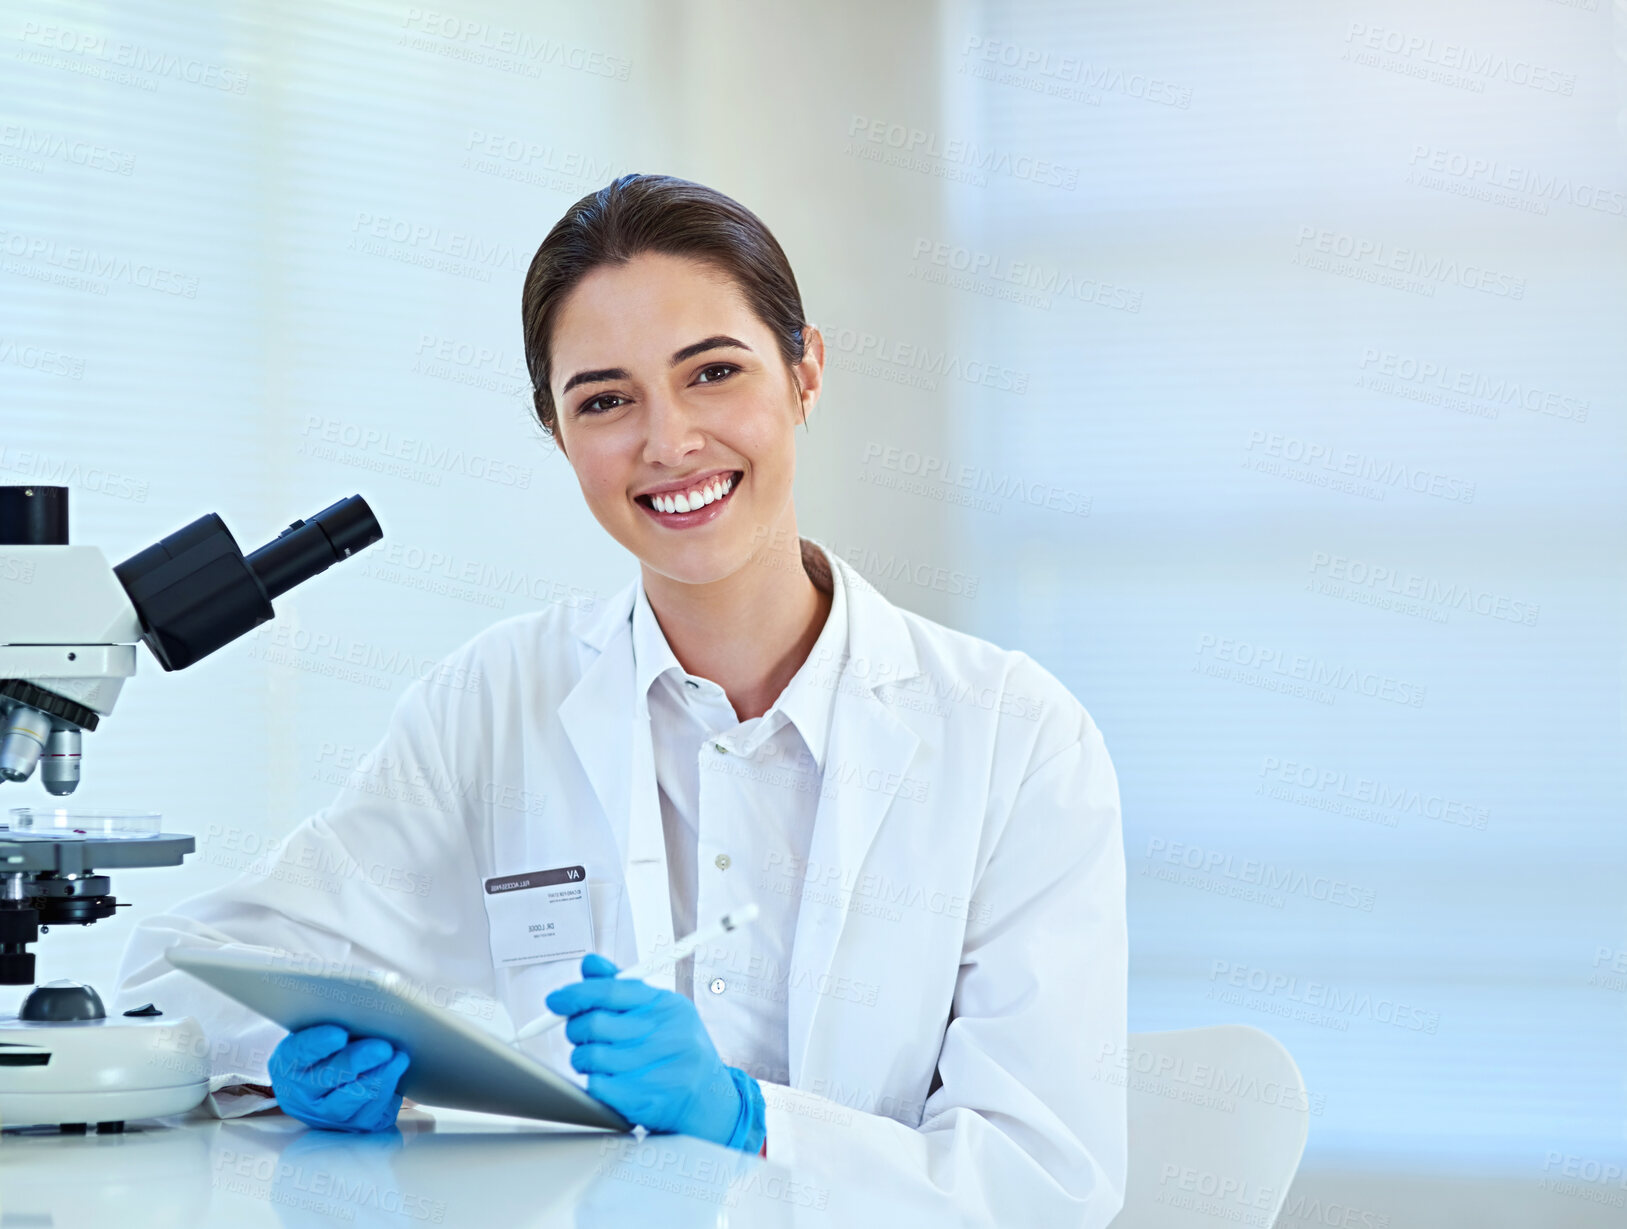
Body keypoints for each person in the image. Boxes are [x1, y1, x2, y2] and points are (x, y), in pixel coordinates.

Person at [114, 173, 1127, 1225]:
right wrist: (280, 1057)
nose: (669, 441)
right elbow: (175, 983)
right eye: (604, 399)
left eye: (713, 373)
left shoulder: (1011, 732)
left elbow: (1040, 1179)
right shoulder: (497, 699)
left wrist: (748, 1120)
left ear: (805, 371)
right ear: (557, 434)